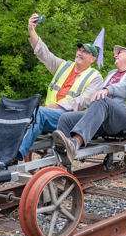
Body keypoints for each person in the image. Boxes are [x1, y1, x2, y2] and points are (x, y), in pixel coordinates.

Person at [17, 14, 103, 159]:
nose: (80, 53)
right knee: (21, 111)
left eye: (85, 52)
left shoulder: (95, 76)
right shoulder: (64, 66)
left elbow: (85, 100)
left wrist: (57, 106)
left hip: (69, 117)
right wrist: (32, 31)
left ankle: (16, 153)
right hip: (50, 113)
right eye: (79, 50)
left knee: (39, 113)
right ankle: (1, 151)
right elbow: (44, 54)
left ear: (93, 59)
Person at [52, 45, 126, 163]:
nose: (115, 55)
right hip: (105, 118)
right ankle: (60, 166)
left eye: (120, 53)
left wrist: (107, 90)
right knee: (66, 118)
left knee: (102, 100)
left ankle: (74, 144)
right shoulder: (112, 73)